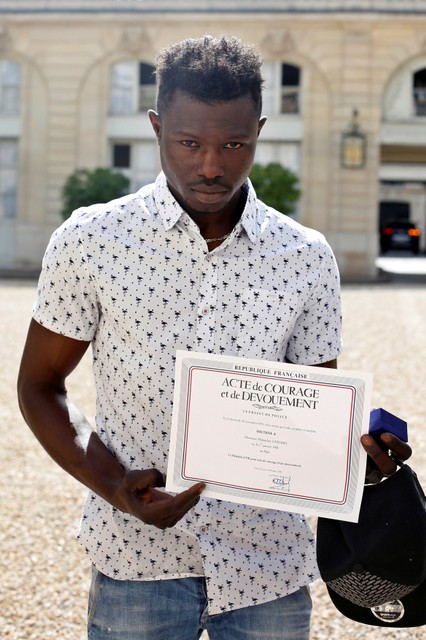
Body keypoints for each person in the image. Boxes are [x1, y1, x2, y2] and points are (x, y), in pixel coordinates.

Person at [17, 35, 411, 640]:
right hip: (137, 562)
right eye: (189, 142)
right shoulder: (90, 241)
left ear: (259, 129)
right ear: (155, 127)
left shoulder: (305, 257)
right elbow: (40, 386)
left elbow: (316, 415)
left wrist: (363, 457)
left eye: (234, 144)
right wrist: (115, 489)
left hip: (269, 569)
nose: (210, 165)